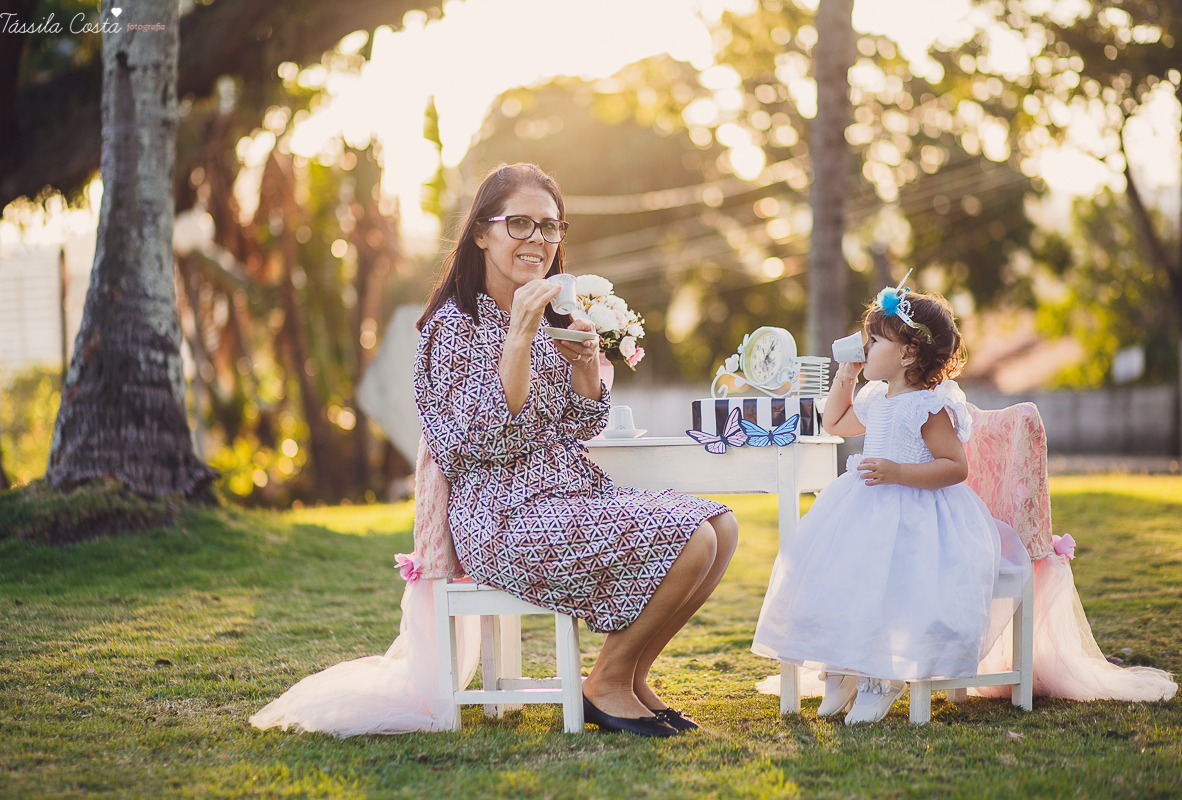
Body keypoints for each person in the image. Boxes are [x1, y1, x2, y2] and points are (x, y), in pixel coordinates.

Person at [413, 162, 738, 737]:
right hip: (501, 515)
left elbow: (580, 424)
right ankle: (605, 684)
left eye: (550, 226)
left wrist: (585, 365)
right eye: (519, 224)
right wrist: (517, 334)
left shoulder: (549, 316)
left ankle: (631, 675)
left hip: (567, 492)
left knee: (722, 527)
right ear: (481, 234)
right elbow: (474, 441)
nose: (537, 239)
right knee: (692, 538)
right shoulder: (453, 325)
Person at [751, 279, 1004, 724]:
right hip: (865, 506)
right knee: (841, 575)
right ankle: (844, 663)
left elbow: (955, 466)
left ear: (907, 354)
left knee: (890, 584)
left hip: (916, 513)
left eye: (873, 342)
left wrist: (900, 473)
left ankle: (882, 676)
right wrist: (845, 377)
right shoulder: (874, 396)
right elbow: (836, 422)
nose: (864, 348)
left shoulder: (927, 406)